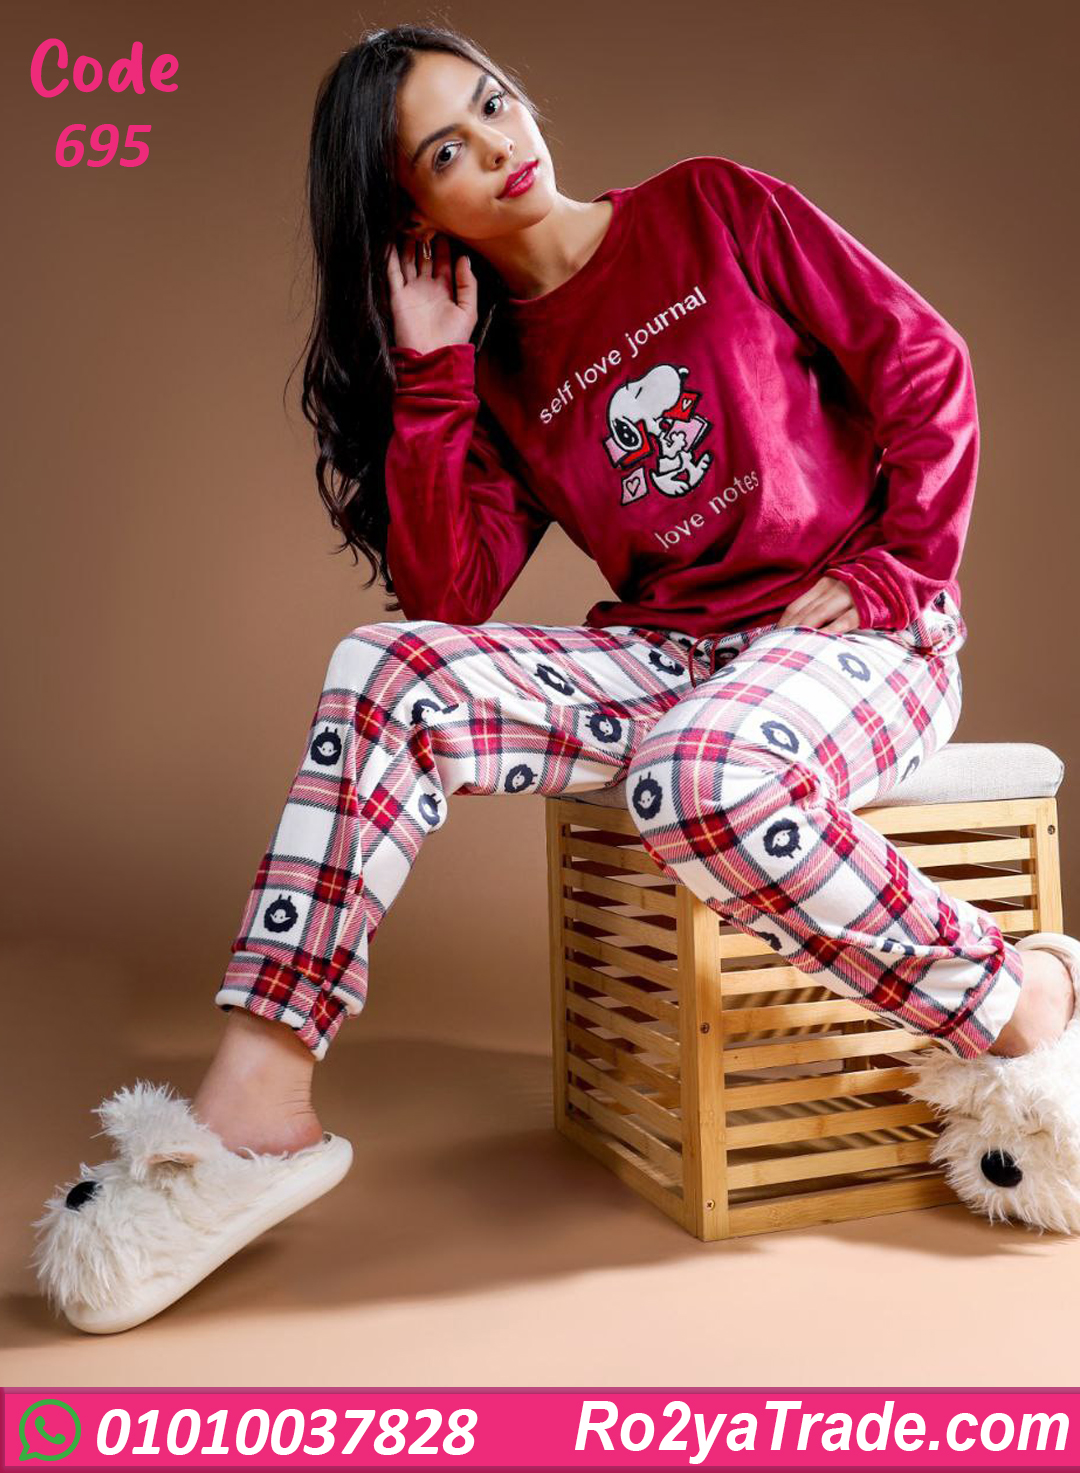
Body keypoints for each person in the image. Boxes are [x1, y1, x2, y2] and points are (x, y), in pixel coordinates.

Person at [36, 22, 1080, 1331]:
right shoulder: (492, 362)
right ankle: (253, 1109)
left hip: (855, 638)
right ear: (413, 217)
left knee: (696, 778)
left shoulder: (713, 207)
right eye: (447, 153)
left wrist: (896, 572)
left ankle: (1022, 997)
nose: (499, 146)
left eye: (493, 103)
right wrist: (434, 372)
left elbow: (923, 362)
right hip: (672, 656)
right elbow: (448, 600)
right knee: (388, 669)